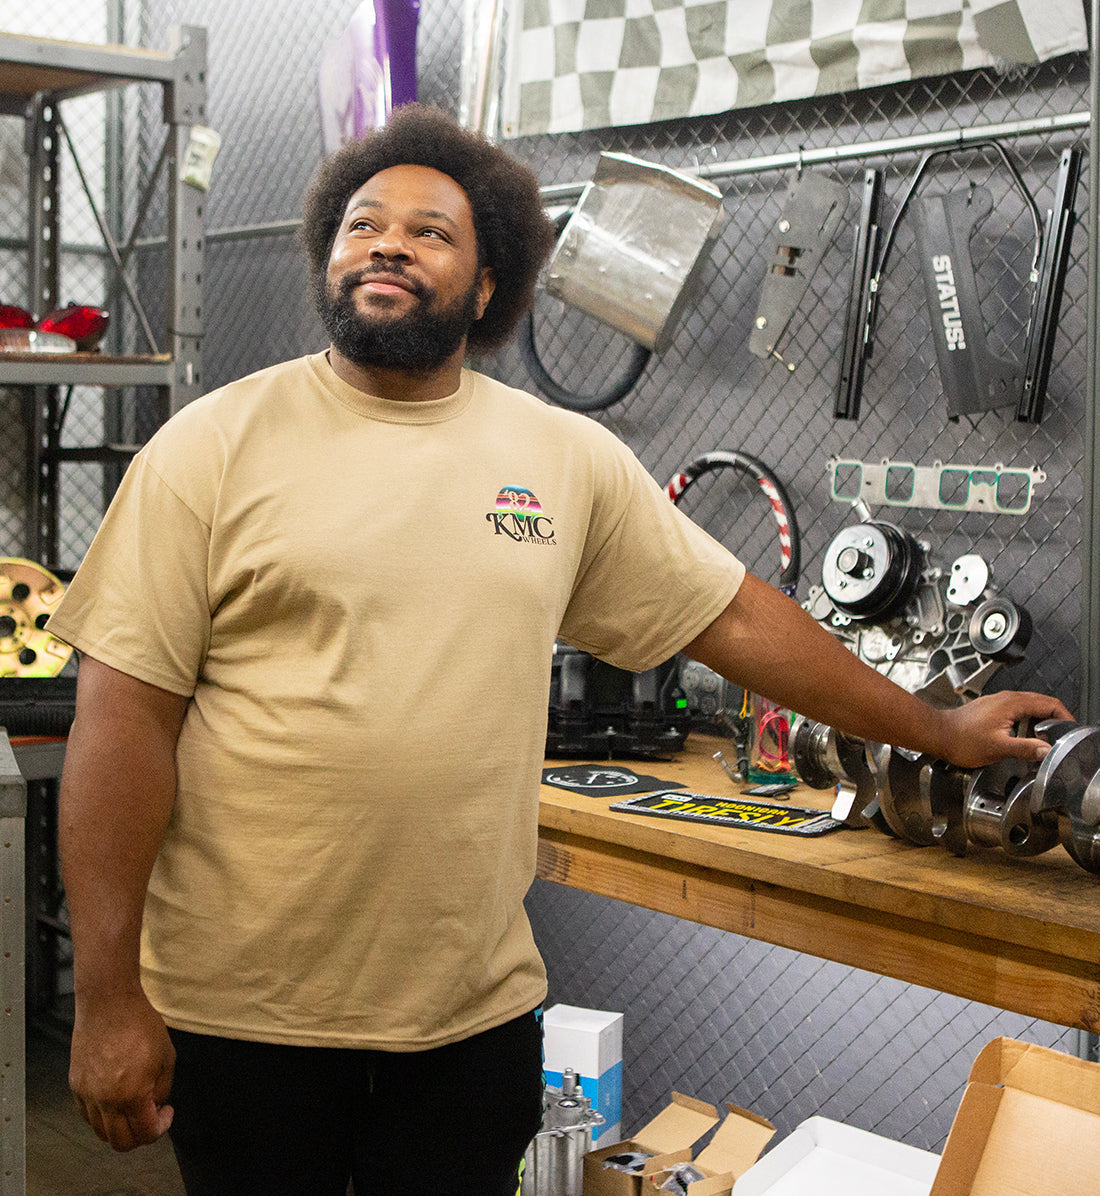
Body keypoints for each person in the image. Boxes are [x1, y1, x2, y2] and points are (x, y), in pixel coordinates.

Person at [48, 103, 1071, 1196]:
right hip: (244, 1019)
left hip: (466, 1020)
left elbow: (733, 620)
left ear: (487, 285)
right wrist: (107, 997)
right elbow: (121, 726)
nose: (388, 244)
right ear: (328, 256)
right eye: (363, 225)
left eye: (430, 232)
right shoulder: (210, 446)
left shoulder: (559, 458)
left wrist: (936, 728)